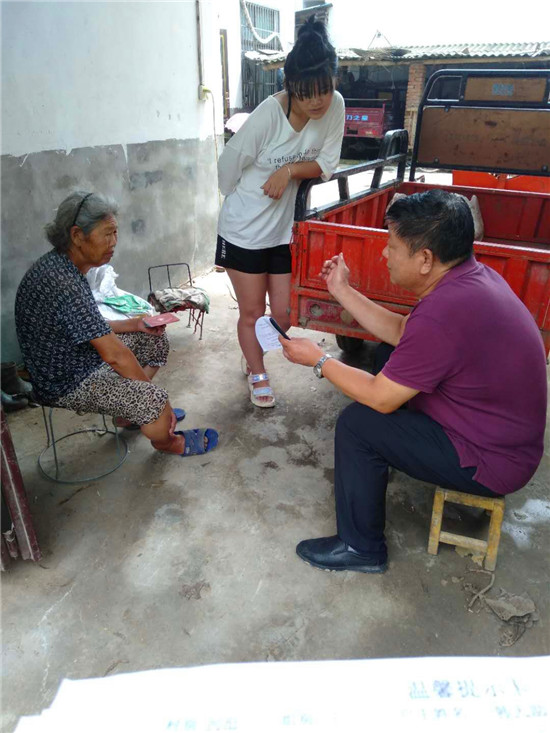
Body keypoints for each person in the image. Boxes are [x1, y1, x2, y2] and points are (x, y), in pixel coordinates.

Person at [280, 189, 547, 573]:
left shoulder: (446, 312)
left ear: (425, 259)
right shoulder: (469, 279)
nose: (384, 254)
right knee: (388, 356)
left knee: (358, 425)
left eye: (392, 247)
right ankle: (382, 464)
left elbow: (381, 398)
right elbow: (401, 331)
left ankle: (361, 548)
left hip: (491, 462)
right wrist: (342, 290)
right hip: (498, 436)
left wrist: (318, 360)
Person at [15, 191, 218, 458]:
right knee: (155, 401)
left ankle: (130, 415)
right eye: (107, 234)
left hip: (77, 356)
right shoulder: (62, 281)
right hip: (65, 381)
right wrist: (155, 397)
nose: (114, 242)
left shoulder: (63, 266)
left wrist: (136, 324)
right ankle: (167, 442)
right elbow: (114, 355)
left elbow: (89, 324)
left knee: (154, 338)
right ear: (77, 235)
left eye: (115, 233)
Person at [216, 15, 345, 407]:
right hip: (243, 231)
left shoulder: (335, 107)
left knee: (284, 316)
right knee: (253, 312)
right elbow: (226, 170)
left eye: (324, 90)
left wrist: (287, 171)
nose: (317, 101)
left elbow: (326, 164)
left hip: (281, 232)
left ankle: (252, 349)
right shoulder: (268, 116)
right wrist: (245, 199)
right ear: (291, 86)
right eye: (307, 94)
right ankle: (257, 372)